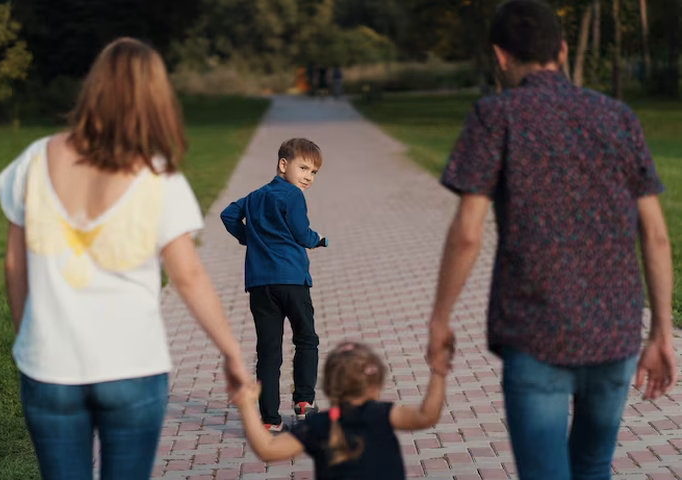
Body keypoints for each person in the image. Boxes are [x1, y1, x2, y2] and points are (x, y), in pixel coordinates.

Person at [426, 1, 676, 479]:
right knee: (593, 467)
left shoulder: (495, 115)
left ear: (500, 56)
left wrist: (440, 319)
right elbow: (657, 235)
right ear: (561, 51)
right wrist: (661, 331)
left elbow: (467, 234)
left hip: (536, 333)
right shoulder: (617, 116)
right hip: (615, 334)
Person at [0, 37, 250, 480]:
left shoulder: (35, 159)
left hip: (49, 368)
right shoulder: (158, 175)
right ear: (154, 98)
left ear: (95, 88)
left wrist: (27, 341)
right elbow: (187, 274)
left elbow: (15, 265)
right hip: (132, 368)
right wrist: (231, 352)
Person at [232, 340, 454, 480]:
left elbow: (267, 448)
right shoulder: (382, 415)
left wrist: (246, 406)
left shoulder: (317, 426)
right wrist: (438, 371)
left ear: (329, 387)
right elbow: (427, 415)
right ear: (375, 386)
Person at [221, 138, 326, 431]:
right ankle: (304, 402)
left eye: (314, 172)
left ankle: (269, 419)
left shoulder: (254, 197)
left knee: (268, 351)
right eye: (303, 167)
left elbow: (228, 215)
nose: (308, 176)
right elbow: (300, 232)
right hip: (292, 280)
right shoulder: (292, 196)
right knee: (306, 339)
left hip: (259, 285)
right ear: (283, 164)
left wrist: (249, 237)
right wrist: (318, 240)